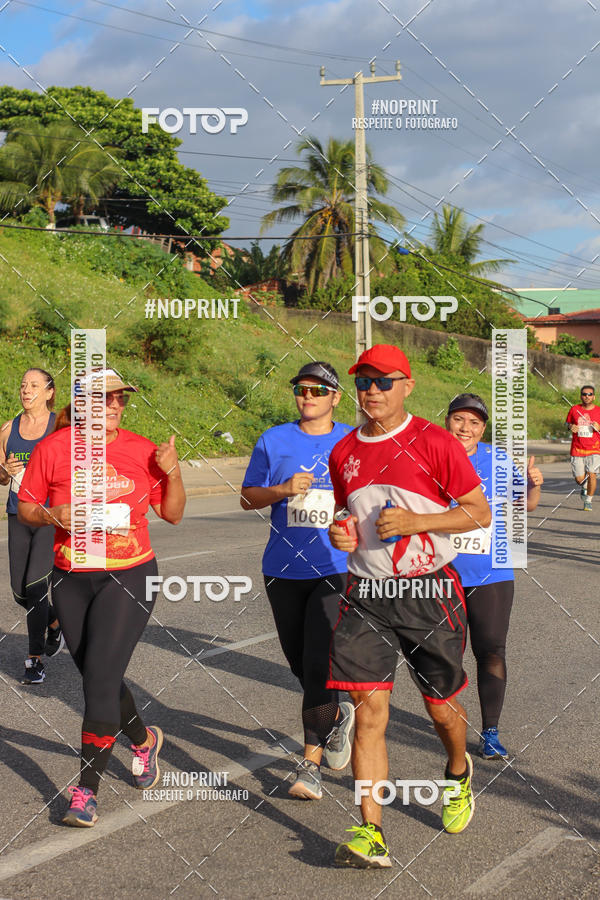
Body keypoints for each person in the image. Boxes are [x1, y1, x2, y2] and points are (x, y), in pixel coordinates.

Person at [327, 344, 491, 869]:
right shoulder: (343, 451)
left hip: (429, 591)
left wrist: (419, 523)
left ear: (407, 386)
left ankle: (458, 770)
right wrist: (341, 536)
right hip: (366, 594)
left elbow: (477, 514)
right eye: (363, 381)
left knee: (441, 708)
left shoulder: (436, 441)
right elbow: (345, 521)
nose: (371, 390)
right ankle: (369, 831)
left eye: (383, 381)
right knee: (369, 709)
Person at [17, 369, 186, 827]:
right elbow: (26, 508)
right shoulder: (54, 448)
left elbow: (172, 514)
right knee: (97, 675)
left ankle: (85, 791)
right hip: (72, 576)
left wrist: (172, 471)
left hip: (130, 574)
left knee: (100, 679)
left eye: (120, 400)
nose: (114, 406)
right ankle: (143, 739)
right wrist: (56, 513)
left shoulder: (140, 449)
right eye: (104, 398)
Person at [241, 362, 355, 800]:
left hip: (335, 569)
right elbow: (248, 497)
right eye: (301, 390)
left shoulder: (350, 440)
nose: (308, 397)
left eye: (318, 390)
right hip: (282, 569)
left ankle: (310, 765)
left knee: (315, 664)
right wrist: (283, 490)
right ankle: (337, 714)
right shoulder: (274, 439)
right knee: (299, 663)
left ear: (335, 397)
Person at [445, 394, 543, 760]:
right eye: (459, 420)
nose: (465, 428)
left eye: (474, 423)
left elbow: (526, 504)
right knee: (444, 656)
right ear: (448, 421)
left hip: (491, 573)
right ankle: (450, 724)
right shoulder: (430, 457)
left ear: (483, 428)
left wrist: (533, 484)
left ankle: (490, 731)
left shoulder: (497, 460)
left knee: (491, 651)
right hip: (443, 575)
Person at [0, 368, 64, 685]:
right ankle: (53, 622)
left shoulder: (59, 427)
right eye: (23, 384)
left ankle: (34, 659)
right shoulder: (8, 428)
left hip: (49, 516)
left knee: (36, 586)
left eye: (34, 385)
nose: (27, 390)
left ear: (49, 392)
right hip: (18, 514)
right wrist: (4, 469)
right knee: (18, 591)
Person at [566, 385, 600, 511]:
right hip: (577, 449)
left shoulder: (599, 411)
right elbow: (567, 422)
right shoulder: (574, 409)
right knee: (580, 479)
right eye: (584, 394)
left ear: (594, 396)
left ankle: (588, 500)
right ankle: (584, 486)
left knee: (592, 475)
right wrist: (570, 427)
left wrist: (599, 427)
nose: (587, 396)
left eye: (590, 394)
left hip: (595, 449)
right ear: (581, 396)